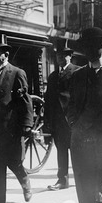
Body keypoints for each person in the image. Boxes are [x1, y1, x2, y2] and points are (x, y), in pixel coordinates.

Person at [67, 27, 102, 203]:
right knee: (85, 194)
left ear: (101, 48)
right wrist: (75, 127)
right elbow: (70, 107)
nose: (88, 50)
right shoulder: (77, 76)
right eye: (85, 47)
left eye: (92, 46)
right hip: (83, 144)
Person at [0, 34, 34, 203]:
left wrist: (27, 125)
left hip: (10, 128)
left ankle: (25, 183)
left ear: (6, 55)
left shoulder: (17, 73)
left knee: (14, 162)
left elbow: (25, 101)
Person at [44, 42, 79, 191]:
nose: (59, 58)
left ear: (70, 56)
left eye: (63, 55)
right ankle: (62, 180)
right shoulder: (52, 76)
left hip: (73, 122)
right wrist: (47, 124)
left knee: (78, 154)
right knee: (61, 152)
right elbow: (48, 101)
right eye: (57, 55)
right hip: (58, 123)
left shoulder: (77, 72)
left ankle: (83, 180)